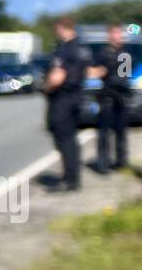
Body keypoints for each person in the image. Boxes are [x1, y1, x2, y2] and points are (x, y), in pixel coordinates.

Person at [43, 16, 90, 192]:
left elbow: (57, 77)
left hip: (62, 99)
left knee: (63, 139)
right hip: (76, 98)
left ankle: (70, 179)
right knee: (71, 139)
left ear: (62, 28)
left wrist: (46, 88)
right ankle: (73, 177)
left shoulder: (64, 49)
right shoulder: (82, 48)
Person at [88, 23, 131, 174]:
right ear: (110, 36)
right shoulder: (103, 53)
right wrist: (100, 71)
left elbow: (125, 75)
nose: (119, 37)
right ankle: (103, 163)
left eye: (121, 34)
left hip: (121, 96)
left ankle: (121, 161)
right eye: (116, 34)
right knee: (104, 133)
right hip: (107, 97)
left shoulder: (125, 54)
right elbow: (91, 71)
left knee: (121, 132)